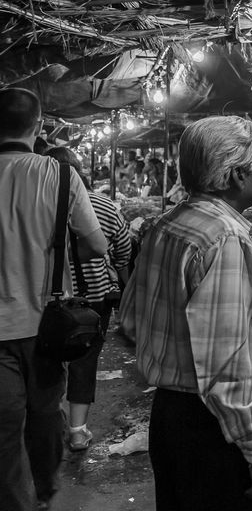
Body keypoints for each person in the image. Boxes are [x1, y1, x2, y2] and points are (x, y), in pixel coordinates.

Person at [119, 116, 252, 511]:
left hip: (171, 416)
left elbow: (130, 318)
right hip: (213, 430)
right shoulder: (224, 239)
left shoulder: (169, 223)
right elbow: (226, 367)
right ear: (236, 175)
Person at [0, 88, 108, 511]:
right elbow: (97, 246)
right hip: (45, 324)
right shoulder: (59, 175)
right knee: (45, 413)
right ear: (39, 125)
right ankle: (43, 491)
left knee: (4, 426)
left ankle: (17, 502)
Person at [45, 147, 131, 452]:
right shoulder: (104, 205)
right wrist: (123, 276)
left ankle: (48, 422)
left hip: (47, 298)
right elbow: (122, 245)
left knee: (48, 358)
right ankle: (78, 431)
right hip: (92, 300)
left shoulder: (39, 203)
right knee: (84, 359)